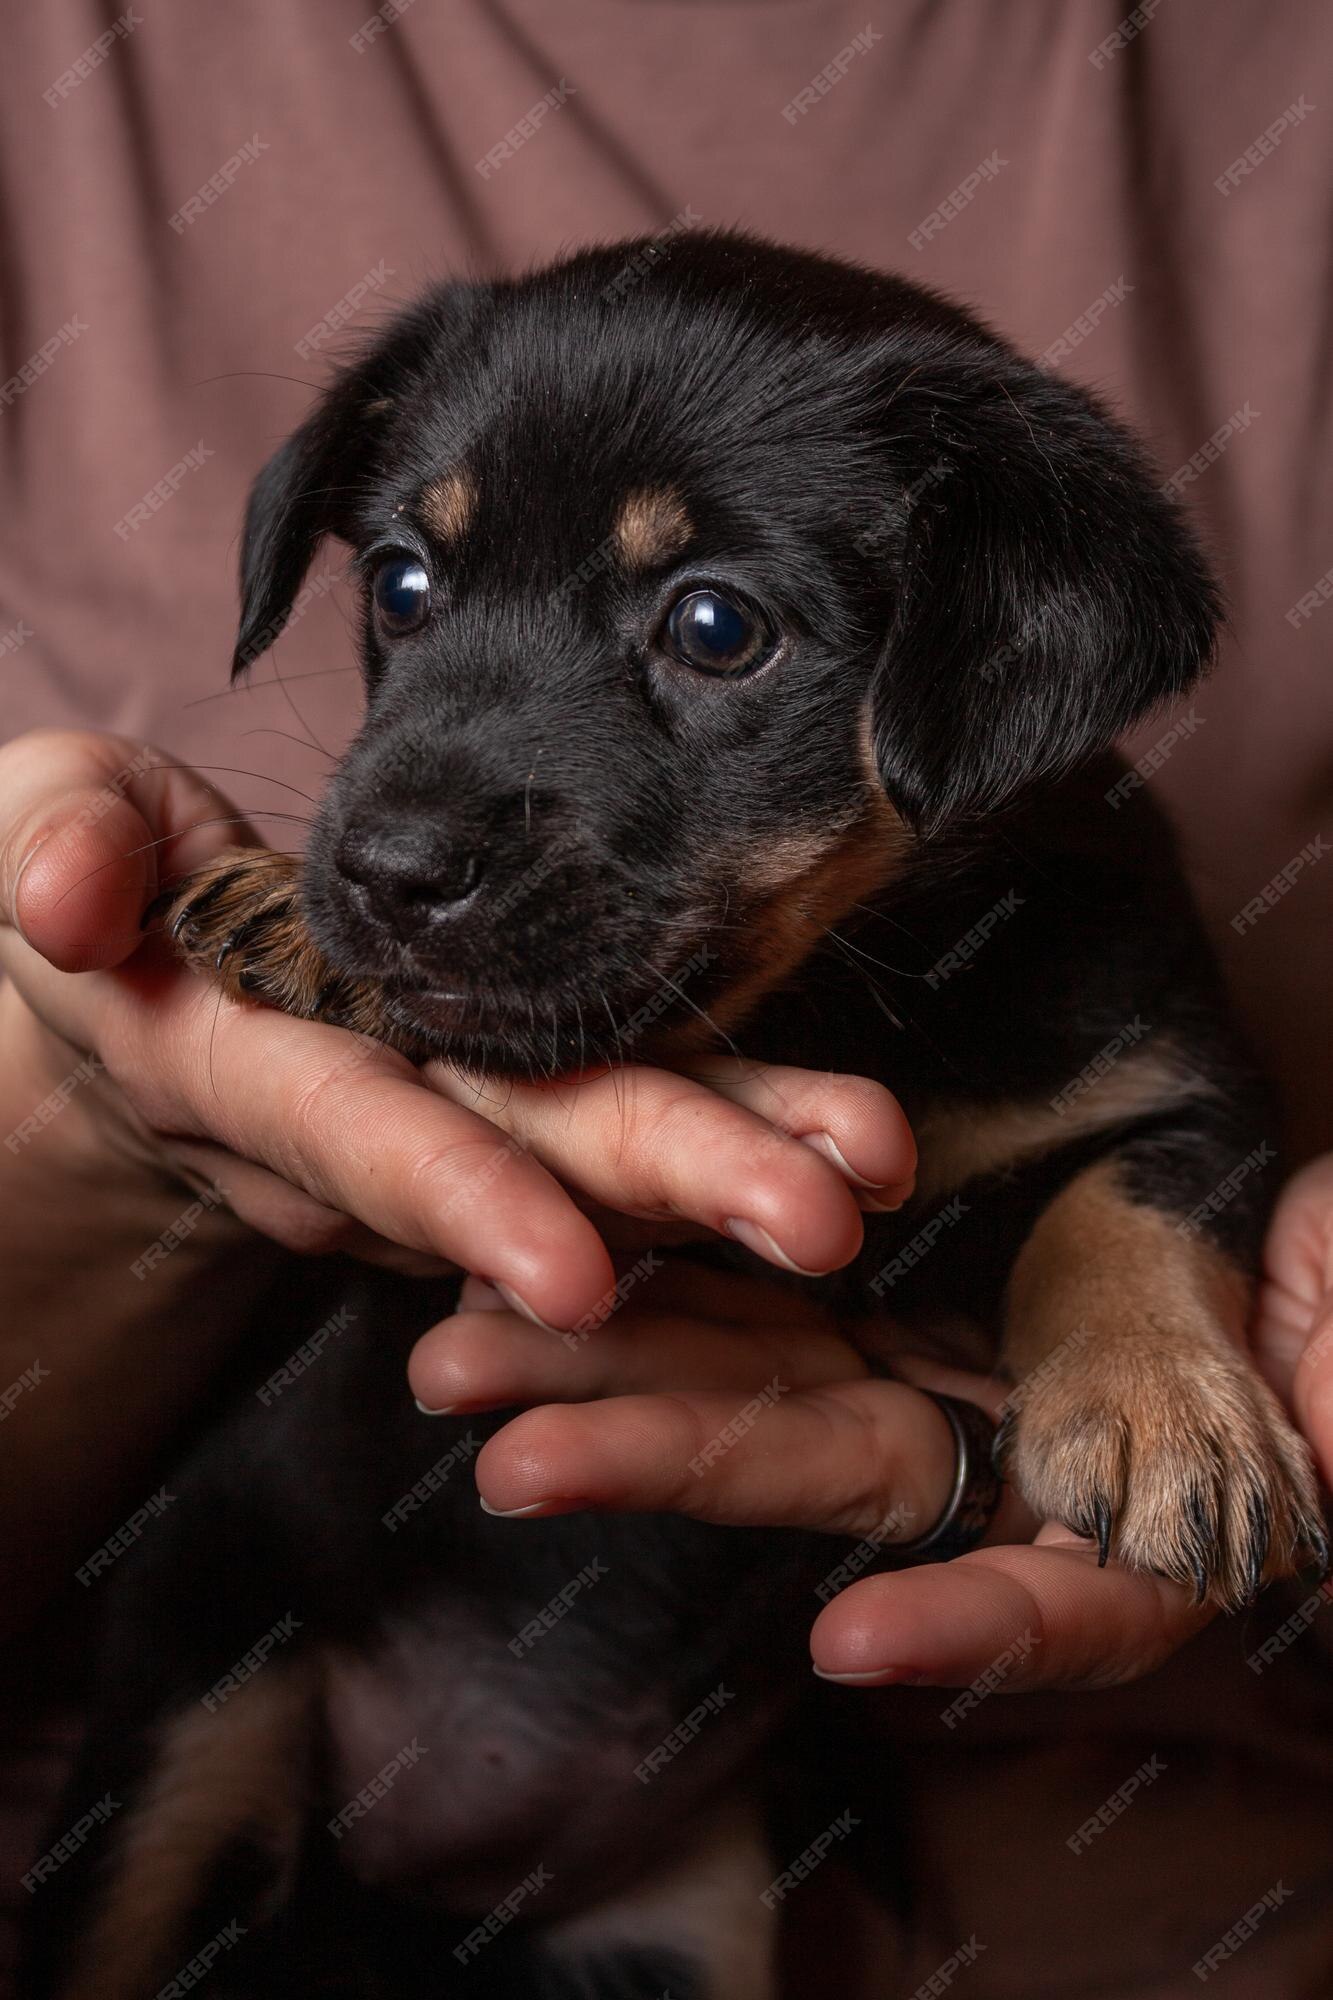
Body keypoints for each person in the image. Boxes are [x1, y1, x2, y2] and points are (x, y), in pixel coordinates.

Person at [3, 3, 1331, 1992]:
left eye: (713, 631)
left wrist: (1124, 1315)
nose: (416, 812)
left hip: (740, 1781)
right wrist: (105, 1081)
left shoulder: (1068, 954)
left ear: (986, 688)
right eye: (415, 595)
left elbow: (1165, 1123)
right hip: (310, 1607)